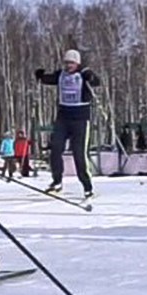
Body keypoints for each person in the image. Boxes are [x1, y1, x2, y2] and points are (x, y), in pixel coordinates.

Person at [35, 49, 101, 199]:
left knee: (79, 154)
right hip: (63, 118)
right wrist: (40, 76)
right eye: (66, 62)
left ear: (77, 63)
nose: (68, 65)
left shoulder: (84, 73)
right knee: (56, 149)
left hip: (80, 119)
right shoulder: (61, 75)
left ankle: (87, 186)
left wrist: (90, 77)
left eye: (71, 63)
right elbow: (49, 79)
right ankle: (57, 182)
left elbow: (96, 82)